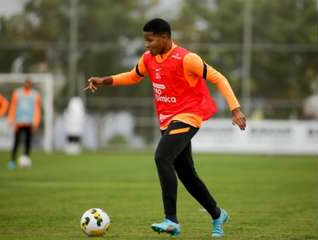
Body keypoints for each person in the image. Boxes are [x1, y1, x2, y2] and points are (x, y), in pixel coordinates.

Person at [85, 18, 246, 238]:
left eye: (150, 40)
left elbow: (219, 78)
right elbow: (133, 76)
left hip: (189, 116)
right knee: (187, 175)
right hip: (167, 121)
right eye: (145, 40)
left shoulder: (188, 58)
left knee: (162, 157)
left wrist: (235, 109)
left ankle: (171, 220)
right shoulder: (148, 59)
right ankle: (218, 215)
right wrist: (103, 80)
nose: (146, 44)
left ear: (164, 37)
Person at [8, 79, 41, 169]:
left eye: (29, 83)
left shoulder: (35, 94)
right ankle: (12, 161)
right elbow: (13, 106)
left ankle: (26, 159)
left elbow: (37, 109)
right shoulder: (17, 93)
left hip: (29, 123)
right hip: (19, 122)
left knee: (28, 142)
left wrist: (35, 122)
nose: (27, 85)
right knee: (16, 142)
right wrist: (11, 119)